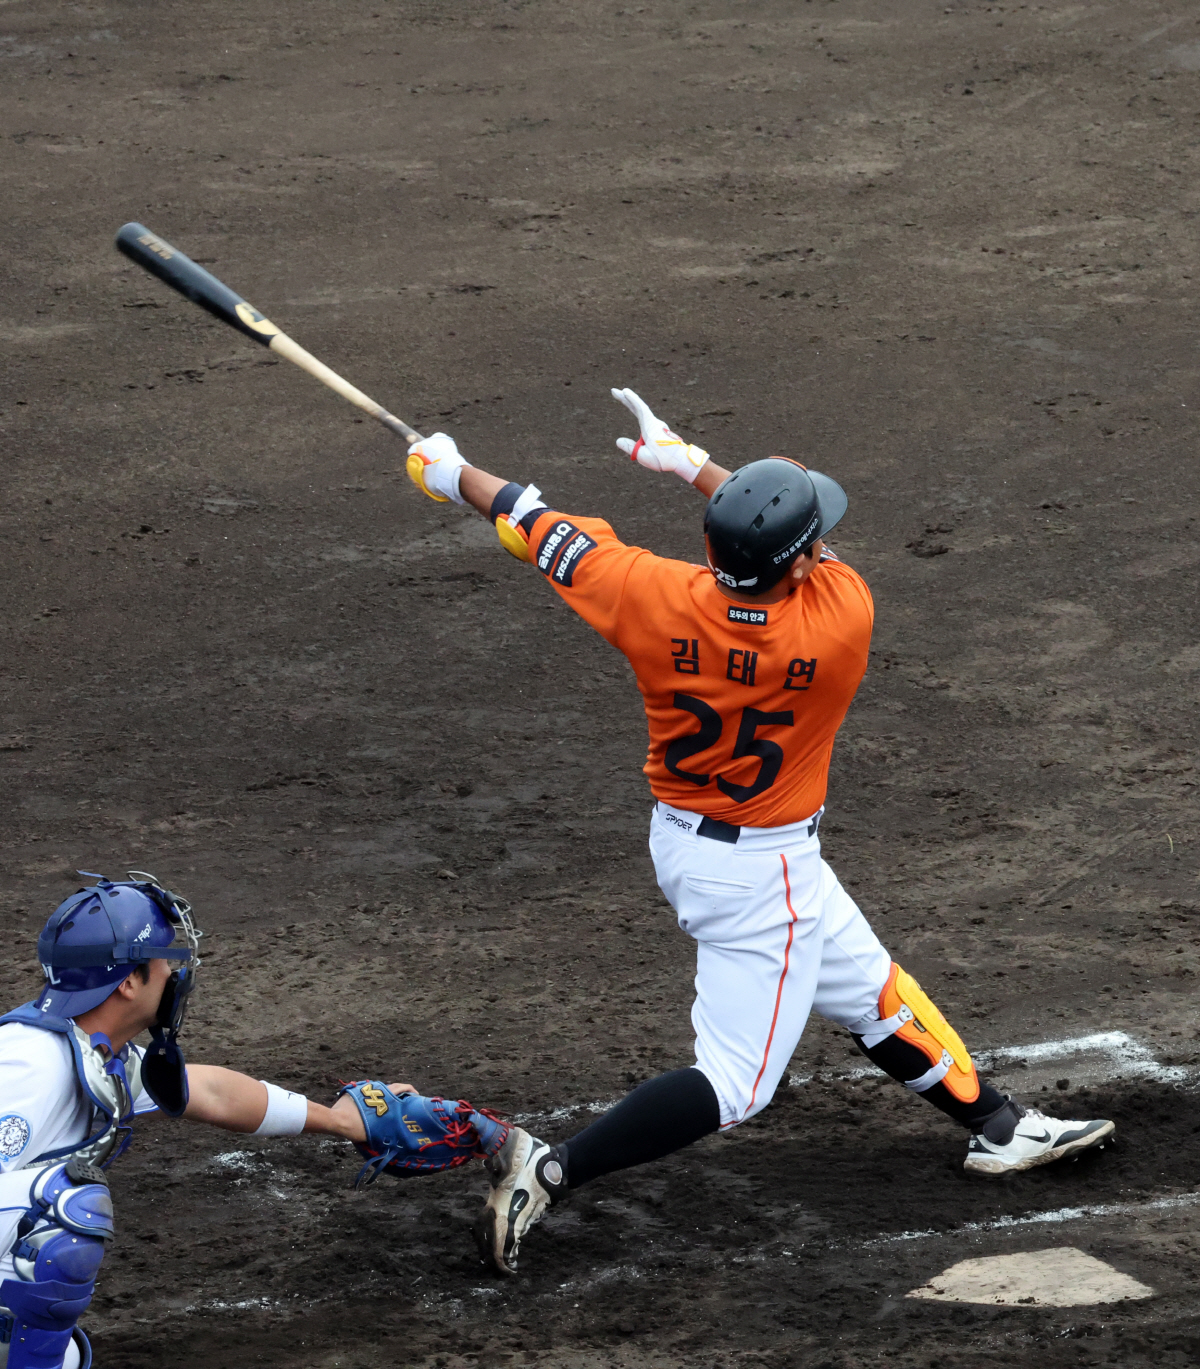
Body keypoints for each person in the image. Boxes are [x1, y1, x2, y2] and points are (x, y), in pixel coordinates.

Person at [403, 388, 1115, 1277]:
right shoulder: (840, 620)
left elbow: (535, 524)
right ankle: (546, 1169)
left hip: (691, 838)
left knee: (864, 985)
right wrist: (694, 464)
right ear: (804, 559)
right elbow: (800, 543)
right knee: (736, 1085)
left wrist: (449, 471)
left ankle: (1001, 1127)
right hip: (761, 872)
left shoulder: (649, 594)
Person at [0, 872, 509, 1367]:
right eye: (164, 962)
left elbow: (215, 1093)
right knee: (66, 1210)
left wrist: (337, 1120)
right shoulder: (28, 1067)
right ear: (130, 981)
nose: (175, 977)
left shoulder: (93, 1055)